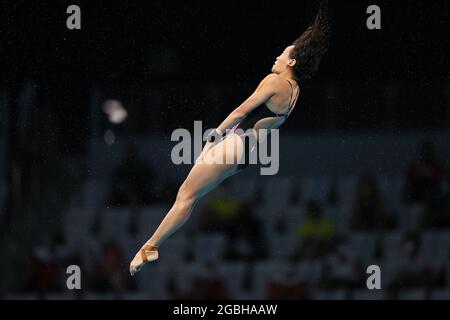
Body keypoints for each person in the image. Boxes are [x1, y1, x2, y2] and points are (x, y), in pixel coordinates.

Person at [130, 2, 331, 275]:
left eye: (283, 54)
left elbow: (241, 111)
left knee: (186, 195)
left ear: (292, 62)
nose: (277, 57)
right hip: (248, 153)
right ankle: (151, 247)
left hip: (237, 144)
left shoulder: (274, 82)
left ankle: (150, 247)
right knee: (190, 196)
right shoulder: (295, 92)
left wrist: (214, 136)